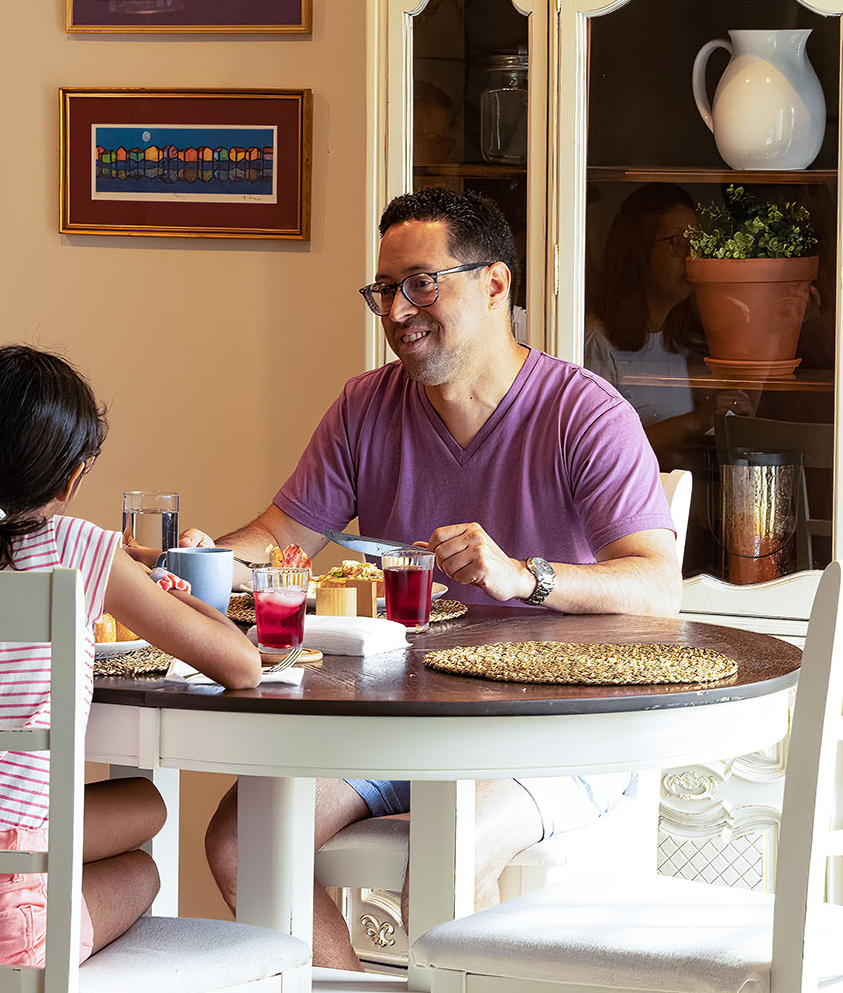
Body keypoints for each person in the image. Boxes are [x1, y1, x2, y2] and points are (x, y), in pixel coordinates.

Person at [191, 188, 682, 969]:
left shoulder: (585, 413)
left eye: (422, 283)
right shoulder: (363, 406)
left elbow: (659, 585)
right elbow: (280, 537)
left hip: (555, 730)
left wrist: (527, 578)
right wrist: (200, 559)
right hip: (400, 725)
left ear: (495, 285)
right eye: (385, 290)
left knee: (442, 861)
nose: (396, 309)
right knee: (240, 841)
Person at [0, 345, 259, 967]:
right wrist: (168, 590)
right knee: (144, 853)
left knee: (121, 816)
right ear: (71, 478)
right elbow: (242, 665)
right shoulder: (79, 550)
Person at [584, 183, 751, 465]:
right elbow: (598, 452)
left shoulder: (680, 342)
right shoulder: (596, 341)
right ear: (638, 248)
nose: (689, 256)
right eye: (676, 241)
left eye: (694, 243)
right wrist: (694, 422)